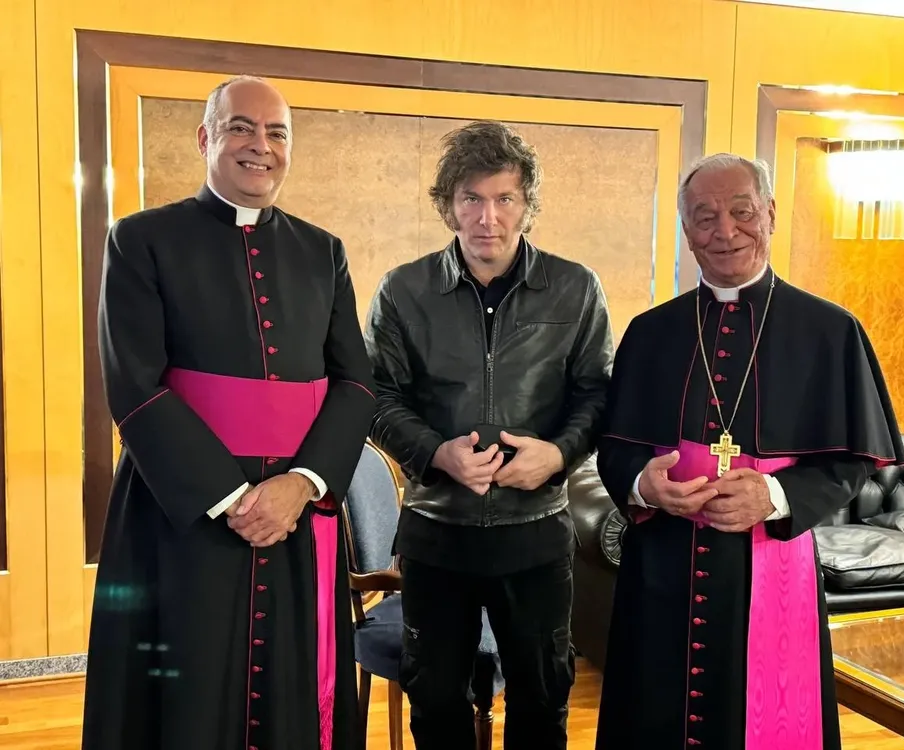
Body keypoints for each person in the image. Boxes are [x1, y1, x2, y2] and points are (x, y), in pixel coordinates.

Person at [82, 75, 375, 750]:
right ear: (205, 137)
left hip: (298, 512)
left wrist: (302, 485)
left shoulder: (322, 252)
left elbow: (356, 384)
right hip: (185, 513)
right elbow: (135, 385)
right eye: (242, 127)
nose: (261, 146)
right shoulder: (140, 240)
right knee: (184, 692)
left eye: (277, 133)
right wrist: (234, 498)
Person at [594, 153, 904, 749]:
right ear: (686, 231)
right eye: (705, 217)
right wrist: (642, 485)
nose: (725, 231)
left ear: (769, 213)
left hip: (769, 562)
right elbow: (613, 447)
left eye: (742, 212)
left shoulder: (830, 330)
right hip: (663, 565)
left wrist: (775, 494)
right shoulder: (649, 331)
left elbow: (853, 458)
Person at [364, 120, 614, 749]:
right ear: (449, 205)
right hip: (435, 536)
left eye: (505, 199)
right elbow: (376, 396)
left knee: (541, 701)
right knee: (437, 704)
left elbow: (599, 394)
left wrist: (557, 455)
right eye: (472, 198)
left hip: (536, 537)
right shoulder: (403, 290)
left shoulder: (577, 287)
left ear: (528, 206)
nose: (488, 218)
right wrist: (435, 453)